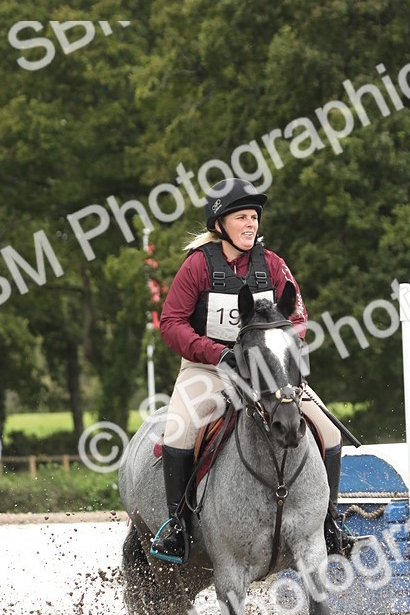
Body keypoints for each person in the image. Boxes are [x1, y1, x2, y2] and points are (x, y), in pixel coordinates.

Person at [150, 177, 358, 565]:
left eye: (254, 218)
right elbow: (172, 323)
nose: (250, 225)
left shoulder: (274, 264)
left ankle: (329, 522)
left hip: (267, 372)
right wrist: (217, 353)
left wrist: (279, 352)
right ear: (219, 225)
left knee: (328, 432)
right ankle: (176, 527)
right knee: (179, 432)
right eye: (241, 217)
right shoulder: (197, 267)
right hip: (209, 368)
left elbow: (298, 318)